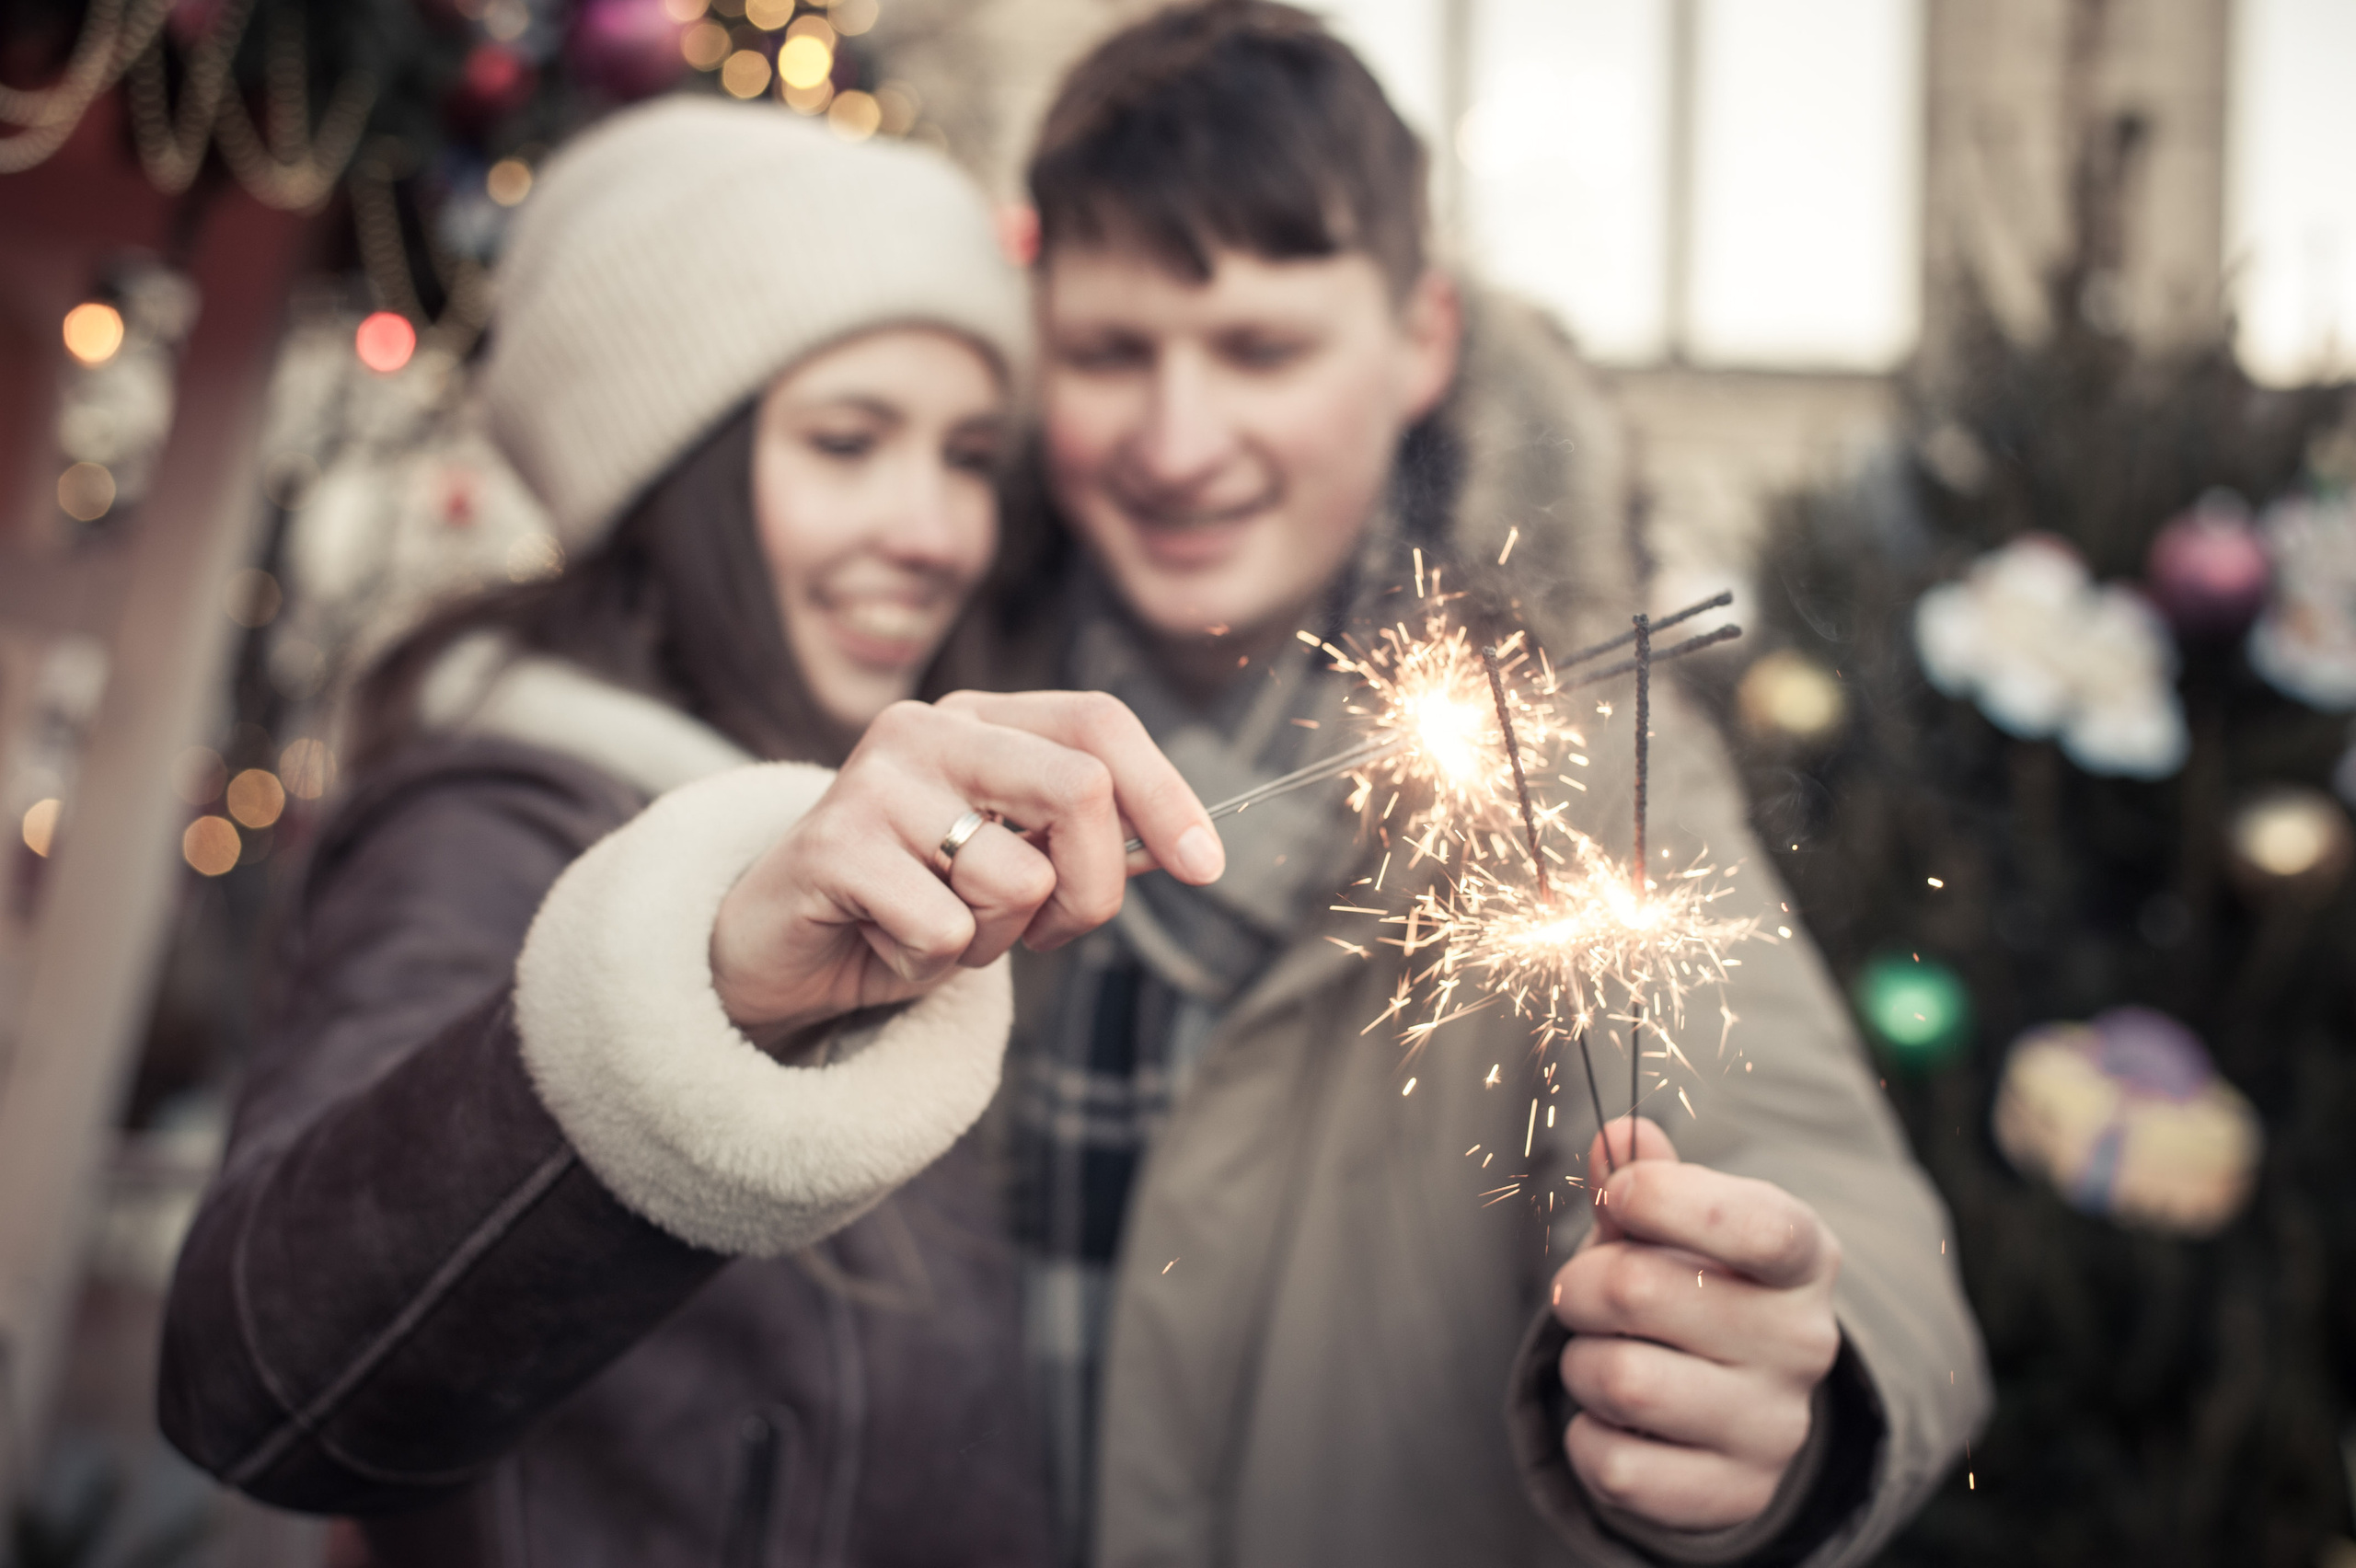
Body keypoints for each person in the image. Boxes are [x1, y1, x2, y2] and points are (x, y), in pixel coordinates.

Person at [981, 4, 1991, 1563]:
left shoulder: (1567, 761)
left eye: (1262, 348)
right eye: (1114, 353)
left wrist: (1788, 1381)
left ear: (1420, 341)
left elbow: (1811, 1168)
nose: (1178, 442)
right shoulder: (933, 716)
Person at [158, 97, 1226, 1564]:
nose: (933, 529)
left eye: (970, 454)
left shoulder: (915, 810)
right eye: (848, 442)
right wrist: (703, 991)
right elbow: (255, 1384)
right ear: (673, 475)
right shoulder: (500, 822)